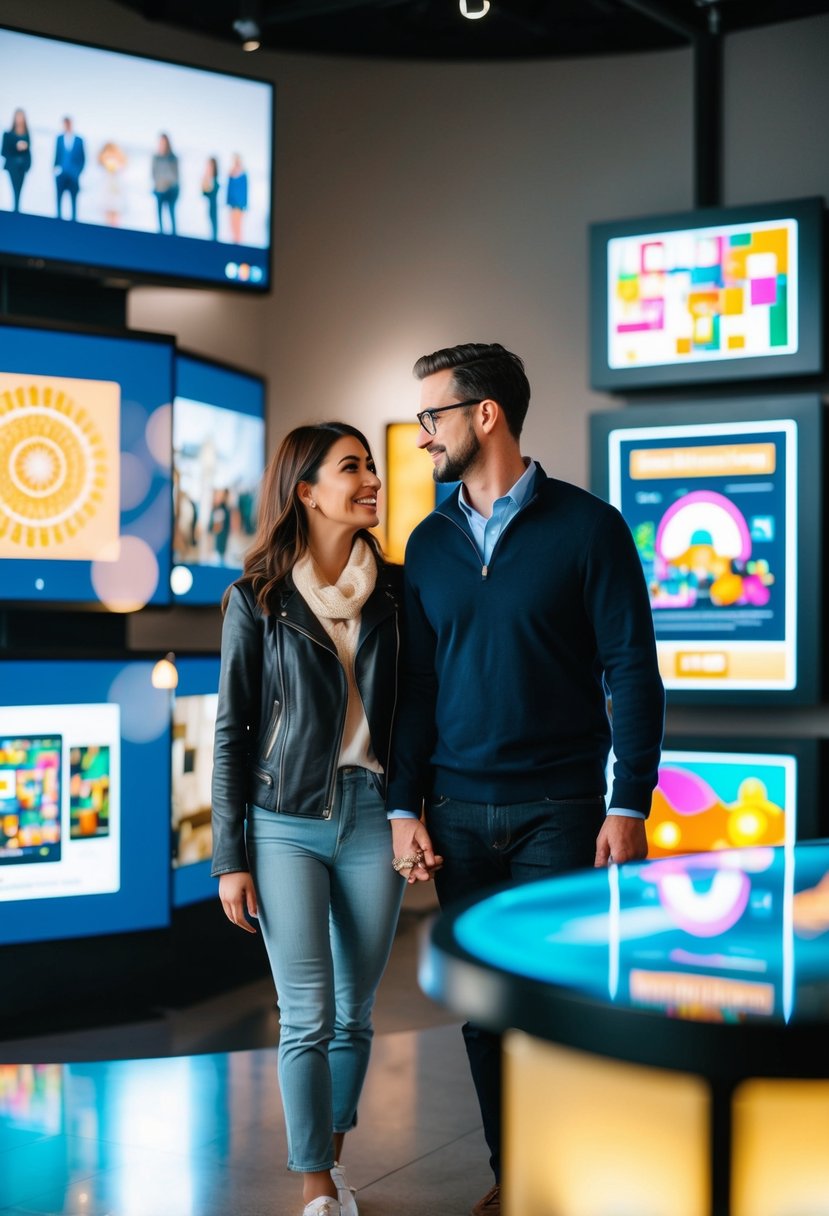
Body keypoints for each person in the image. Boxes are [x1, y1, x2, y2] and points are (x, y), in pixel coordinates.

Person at [386, 342, 665, 1216]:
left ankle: (572, 1172)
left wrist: (628, 802)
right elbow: (417, 687)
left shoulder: (590, 527)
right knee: (484, 1012)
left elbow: (632, 670)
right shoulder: (425, 544)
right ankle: (518, 1180)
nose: (423, 432)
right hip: (458, 812)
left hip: (564, 810)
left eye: (433, 414)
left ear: (484, 414)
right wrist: (404, 806)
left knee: (556, 1001)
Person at [212, 422, 407, 1216]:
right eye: (352, 467)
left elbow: (416, 710)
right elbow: (233, 729)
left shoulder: (397, 591)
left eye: (371, 466)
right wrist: (230, 854)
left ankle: (328, 1148)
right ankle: (316, 1188)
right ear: (306, 489)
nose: (372, 480)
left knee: (354, 1015)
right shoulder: (254, 597)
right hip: (283, 819)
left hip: (371, 813)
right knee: (307, 1012)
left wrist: (409, 809)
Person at [54, 116, 86, 221]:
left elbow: (83, 159)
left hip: (73, 175)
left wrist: (77, 172)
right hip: (61, 174)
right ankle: (58, 219)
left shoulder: (79, 140)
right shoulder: (59, 138)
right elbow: (56, 155)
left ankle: (73, 221)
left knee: (73, 200)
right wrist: (55, 169)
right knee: (59, 199)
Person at [2, 108, 32, 213]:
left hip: (22, 167)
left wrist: (28, 165)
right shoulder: (8, 134)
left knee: (19, 191)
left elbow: (29, 152)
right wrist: (16, 146)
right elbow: (3, 151)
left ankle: (17, 211)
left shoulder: (27, 134)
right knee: (14, 189)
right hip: (12, 166)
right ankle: (15, 211)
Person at [152, 133, 179, 235]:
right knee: (159, 213)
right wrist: (158, 185)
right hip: (159, 190)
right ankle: (160, 233)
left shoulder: (172, 158)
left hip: (170, 190)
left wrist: (168, 185)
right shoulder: (156, 157)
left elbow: (175, 176)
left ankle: (174, 234)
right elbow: (153, 173)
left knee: (171, 212)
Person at [98, 141, 128, 227]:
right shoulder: (103, 162)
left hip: (116, 192)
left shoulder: (120, 164)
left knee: (115, 217)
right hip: (107, 192)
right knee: (108, 217)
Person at [226, 152, 248, 243]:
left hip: (238, 206)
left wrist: (242, 205)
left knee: (237, 227)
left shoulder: (243, 175)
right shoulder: (231, 173)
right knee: (232, 226)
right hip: (232, 204)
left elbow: (244, 191)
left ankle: (238, 244)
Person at [201, 156, 220, 240]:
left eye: (210, 165)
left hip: (214, 205)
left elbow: (211, 192)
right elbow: (204, 192)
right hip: (208, 205)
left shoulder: (215, 179)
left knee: (214, 223)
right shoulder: (206, 178)